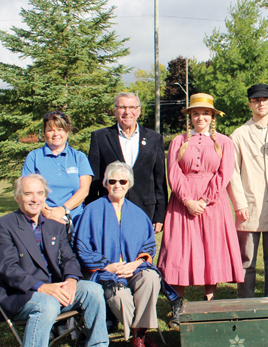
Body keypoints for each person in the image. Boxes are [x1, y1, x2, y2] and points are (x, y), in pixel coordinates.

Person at [0, 174, 121, 347]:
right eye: (28, 193)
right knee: (48, 304)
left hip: (55, 289)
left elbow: (69, 259)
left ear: (45, 196)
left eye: (40, 193)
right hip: (21, 294)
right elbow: (7, 268)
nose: (34, 199)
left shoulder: (53, 226)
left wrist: (70, 281)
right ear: (17, 196)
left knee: (92, 290)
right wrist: (42, 287)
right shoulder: (2, 226)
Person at [158, 93, 243, 319]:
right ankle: (177, 305)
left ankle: (210, 302)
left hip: (212, 204)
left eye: (205, 113)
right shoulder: (178, 141)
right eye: (196, 113)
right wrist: (187, 200)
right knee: (179, 249)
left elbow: (224, 173)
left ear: (212, 116)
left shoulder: (224, 142)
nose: (200, 117)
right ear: (190, 117)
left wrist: (205, 200)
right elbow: (173, 172)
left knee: (210, 248)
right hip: (182, 201)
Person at [75, 161, 164, 347]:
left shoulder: (138, 214)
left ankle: (138, 336)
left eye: (122, 181)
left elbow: (149, 245)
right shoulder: (91, 211)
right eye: (112, 181)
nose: (117, 185)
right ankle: (140, 338)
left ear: (129, 184)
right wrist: (108, 265)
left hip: (132, 268)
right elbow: (81, 247)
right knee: (120, 295)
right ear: (105, 183)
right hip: (107, 272)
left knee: (150, 278)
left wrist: (135, 264)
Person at [228, 84, 268, 298]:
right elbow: (232, 173)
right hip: (249, 205)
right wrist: (240, 203)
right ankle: (245, 301)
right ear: (250, 104)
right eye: (256, 100)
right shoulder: (238, 135)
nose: (261, 103)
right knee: (247, 260)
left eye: (265, 99)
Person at [86, 92, 167, 233]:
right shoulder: (100, 137)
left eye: (132, 107)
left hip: (144, 210)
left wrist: (160, 215)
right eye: (122, 107)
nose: (127, 112)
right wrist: (93, 211)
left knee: (141, 253)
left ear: (139, 111)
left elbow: (159, 180)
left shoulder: (154, 138)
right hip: (109, 209)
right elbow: (95, 179)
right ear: (114, 111)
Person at [22, 111, 93, 228]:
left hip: (75, 219)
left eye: (60, 129)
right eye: (50, 130)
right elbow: (27, 190)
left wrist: (63, 210)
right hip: (42, 219)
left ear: (67, 132)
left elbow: (84, 190)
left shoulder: (79, 157)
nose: (56, 134)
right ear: (44, 133)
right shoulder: (34, 157)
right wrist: (49, 215)